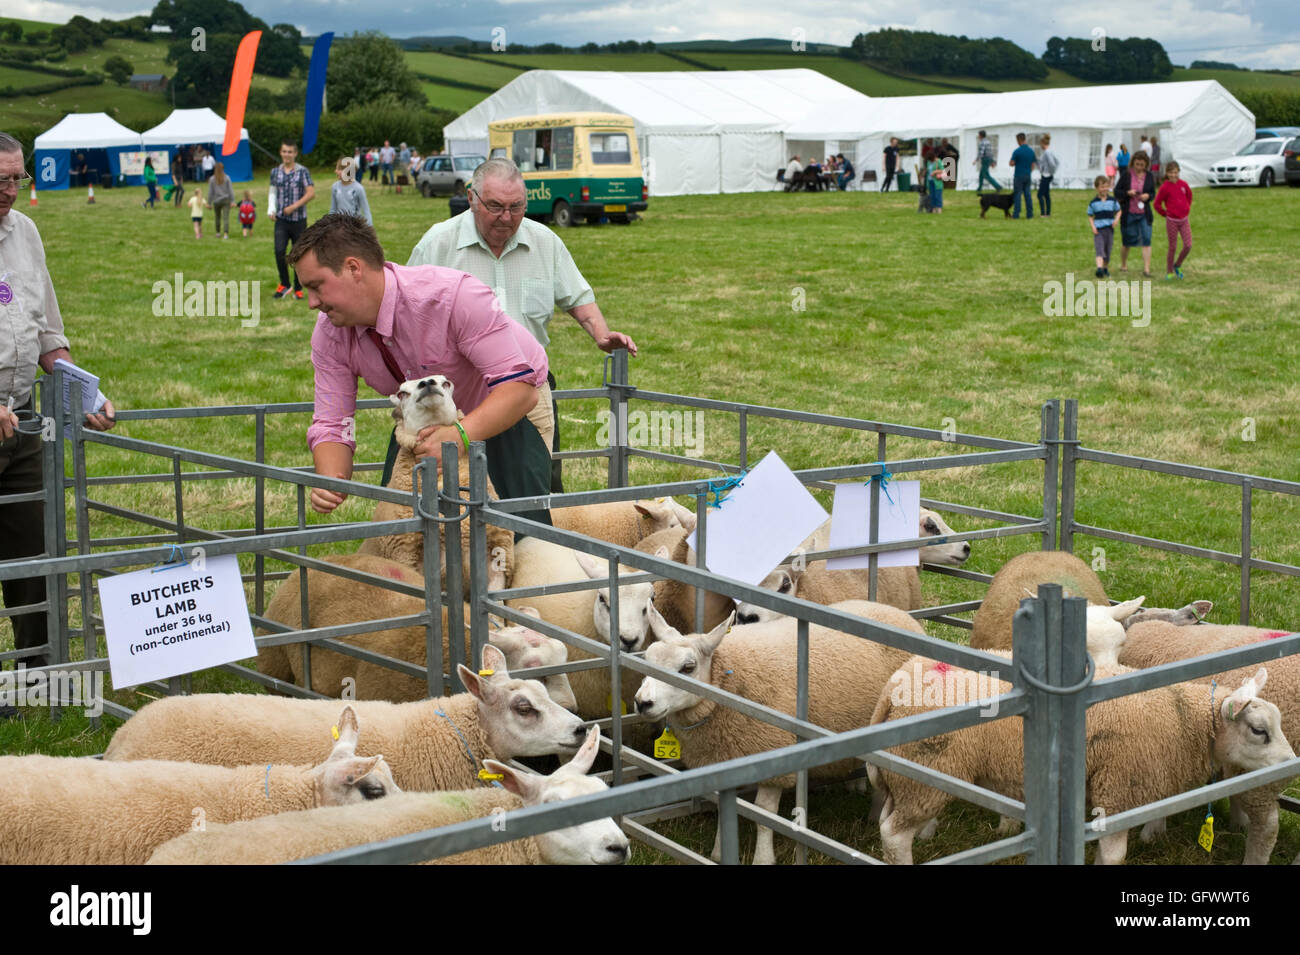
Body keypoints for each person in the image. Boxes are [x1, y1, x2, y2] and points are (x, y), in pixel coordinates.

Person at [293, 213, 554, 528]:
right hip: (421, 420)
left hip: (507, 407)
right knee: (413, 533)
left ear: (353, 268)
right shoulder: (331, 333)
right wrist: (330, 481)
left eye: (316, 286)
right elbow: (332, 423)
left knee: (516, 535)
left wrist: (458, 436)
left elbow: (519, 391)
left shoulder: (454, 296)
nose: (311, 302)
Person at [407, 158, 638, 494]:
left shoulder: (545, 241)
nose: (507, 217)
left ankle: (536, 542)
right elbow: (409, 312)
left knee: (538, 482)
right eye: (496, 207)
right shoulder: (438, 244)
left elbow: (577, 297)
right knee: (457, 484)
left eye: (517, 207)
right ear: (472, 198)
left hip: (529, 387)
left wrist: (601, 335)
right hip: (460, 392)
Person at [0, 132, 116, 674]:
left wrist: (83, 393)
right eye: (0, 179)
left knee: (34, 554)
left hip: (20, 421)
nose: (10, 191)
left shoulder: (25, 233)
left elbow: (48, 334)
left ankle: (37, 675)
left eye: (17, 178)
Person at [268, 139, 316, 300]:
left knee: (299, 255)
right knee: (279, 251)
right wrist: (271, 209)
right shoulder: (275, 172)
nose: (287, 154)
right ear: (280, 152)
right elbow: (272, 193)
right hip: (281, 220)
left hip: (298, 220)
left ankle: (298, 286)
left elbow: (311, 193)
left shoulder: (303, 172)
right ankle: (284, 284)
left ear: (295, 153)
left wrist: (294, 206)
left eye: (290, 152)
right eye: (284, 151)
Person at [1115, 150, 1156, 276]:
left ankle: (1146, 269)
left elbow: (1153, 193)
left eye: (1142, 165)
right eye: (1137, 164)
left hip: (1144, 213)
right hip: (1129, 213)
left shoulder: (1149, 176)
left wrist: (1147, 196)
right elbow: (1117, 192)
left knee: (1147, 239)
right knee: (1127, 241)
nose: (1139, 167)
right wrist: (1128, 193)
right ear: (1133, 163)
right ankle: (1123, 264)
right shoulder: (1126, 175)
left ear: (1146, 165)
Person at [1153, 160, 1193, 279]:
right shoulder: (1165, 187)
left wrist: (1186, 208)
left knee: (1188, 245)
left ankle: (1178, 264)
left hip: (1184, 220)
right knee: (1173, 247)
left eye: (1175, 172)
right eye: (1170, 173)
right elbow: (1157, 204)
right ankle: (1169, 271)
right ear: (1167, 173)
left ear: (1179, 172)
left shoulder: (1184, 185)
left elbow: (1189, 197)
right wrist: (1165, 214)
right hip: (1172, 221)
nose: (1173, 175)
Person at [1086, 174, 1121, 278]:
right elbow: (1090, 216)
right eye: (1102, 187)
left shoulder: (1112, 201)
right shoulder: (1093, 203)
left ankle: (1105, 268)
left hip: (1109, 229)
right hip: (1099, 230)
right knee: (1100, 249)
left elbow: (1119, 211)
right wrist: (1093, 227)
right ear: (1097, 188)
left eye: (1106, 186)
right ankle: (1099, 269)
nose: (1104, 189)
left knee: (1107, 251)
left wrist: (1116, 220)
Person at [329, 156, 372, 225]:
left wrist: (370, 228)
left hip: (354, 227)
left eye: (338, 169)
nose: (335, 171)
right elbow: (333, 210)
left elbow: (366, 211)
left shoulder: (358, 188)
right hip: (339, 226)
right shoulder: (335, 187)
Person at [1009, 133, 1037, 219]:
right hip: (1027, 175)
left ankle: (1016, 214)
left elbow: (1011, 163)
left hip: (1018, 175)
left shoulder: (1017, 151)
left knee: (1017, 195)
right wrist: (1028, 172)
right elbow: (1033, 165)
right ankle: (1030, 214)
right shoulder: (1031, 151)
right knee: (1027, 195)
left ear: (1018, 140)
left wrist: (1016, 162)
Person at [207, 161, 234, 239]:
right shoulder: (227, 177)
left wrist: (209, 203)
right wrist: (232, 201)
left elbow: (210, 192)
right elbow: (230, 190)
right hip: (226, 200)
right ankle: (225, 234)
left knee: (217, 217)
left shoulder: (212, 179)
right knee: (226, 217)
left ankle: (218, 232)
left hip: (216, 201)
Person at [1037, 133, 1059, 217]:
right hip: (1047, 175)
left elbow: (1053, 164)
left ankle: (1043, 213)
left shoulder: (1047, 153)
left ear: (1043, 144)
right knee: (1046, 195)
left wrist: (1050, 172)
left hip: (1046, 175)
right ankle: (1048, 212)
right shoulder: (1051, 151)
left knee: (1040, 195)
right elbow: (1057, 162)